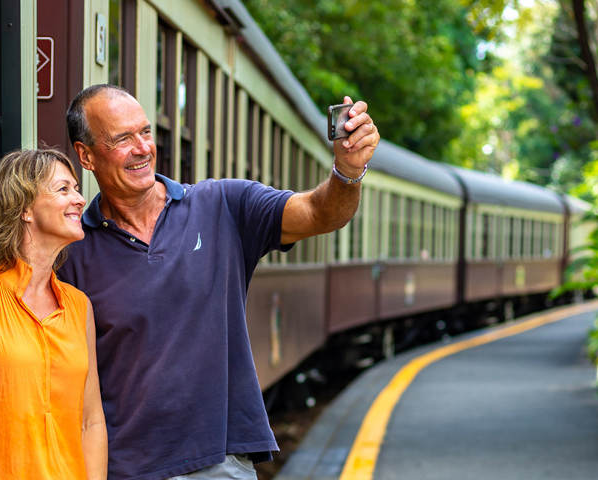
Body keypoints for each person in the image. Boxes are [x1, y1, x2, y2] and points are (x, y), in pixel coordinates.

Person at [58, 85, 379, 480]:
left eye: (144, 132)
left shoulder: (223, 205)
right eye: (122, 139)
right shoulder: (71, 252)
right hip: (127, 468)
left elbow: (319, 213)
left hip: (219, 463)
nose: (142, 148)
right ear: (86, 155)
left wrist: (347, 173)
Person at [0, 149, 107, 480]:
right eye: (64, 189)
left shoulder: (78, 306)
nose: (80, 199)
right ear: (25, 208)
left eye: (76, 188)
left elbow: (91, 420)